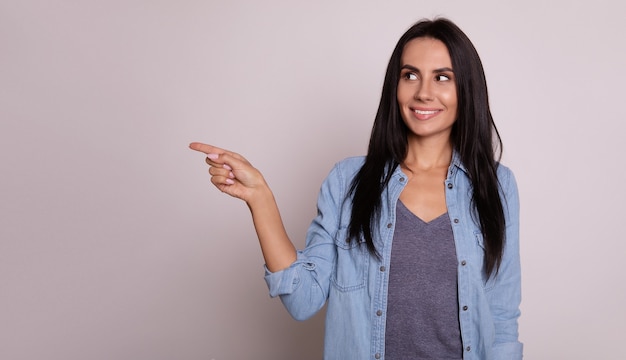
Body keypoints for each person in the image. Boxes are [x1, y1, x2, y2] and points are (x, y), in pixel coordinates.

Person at [190, 17, 522, 360]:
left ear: (466, 88)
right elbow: (303, 300)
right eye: (410, 75)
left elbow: (502, 317)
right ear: (395, 87)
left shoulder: (497, 186)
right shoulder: (347, 181)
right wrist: (260, 197)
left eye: (442, 77)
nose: (424, 92)